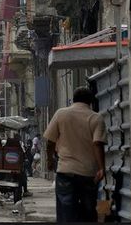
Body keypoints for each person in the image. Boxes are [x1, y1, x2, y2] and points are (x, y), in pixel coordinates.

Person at [43, 87, 107, 223]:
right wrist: (102, 168)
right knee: (89, 211)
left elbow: (50, 142)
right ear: (91, 101)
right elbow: (97, 144)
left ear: (73, 99)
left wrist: (49, 161)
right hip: (88, 173)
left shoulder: (61, 114)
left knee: (65, 211)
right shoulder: (96, 118)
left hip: (65, 171)